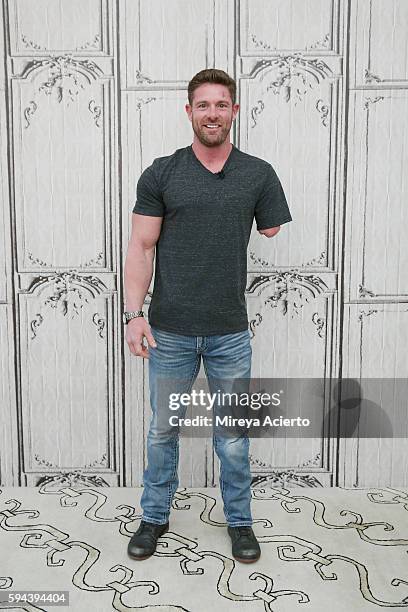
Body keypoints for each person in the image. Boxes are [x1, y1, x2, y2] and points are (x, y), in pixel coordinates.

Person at [124, 68, 292, 563]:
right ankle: (154, 516)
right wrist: (134, 314)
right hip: (170, 331)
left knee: (233, 435)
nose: (212, 113)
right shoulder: (162, 173)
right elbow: (140, 246)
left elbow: (271, 229)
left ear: (234, 111)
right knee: (163, 430)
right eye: (203, 105)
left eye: (222, 104)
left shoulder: (258, 173)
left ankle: (240, 522)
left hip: (229, 333)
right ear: (189, 111)